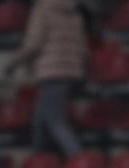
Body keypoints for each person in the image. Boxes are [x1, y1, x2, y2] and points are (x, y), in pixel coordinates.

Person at [5, 0, 86, 157]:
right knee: (40, 120)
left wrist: (12, 64)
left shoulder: (42, 9)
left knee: (55, 121)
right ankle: (40, 161)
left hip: (50, 72)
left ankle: (79, 159)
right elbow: (83, 48)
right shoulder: (74, 12)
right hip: (71, 71)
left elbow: (33, 45)